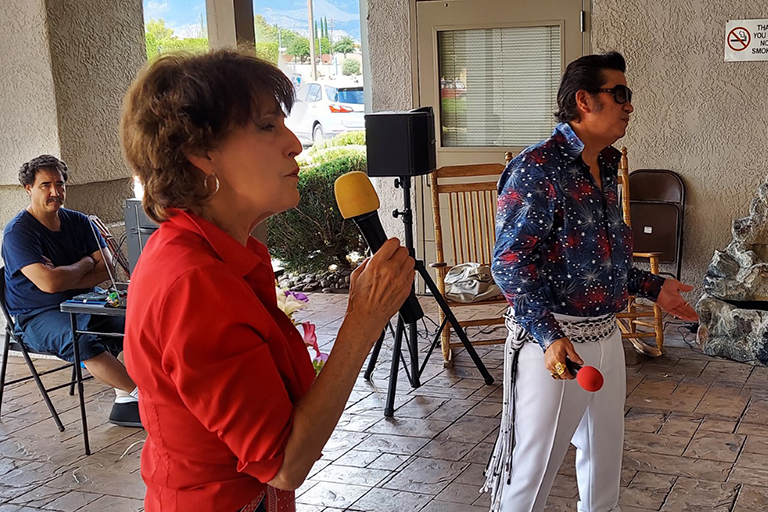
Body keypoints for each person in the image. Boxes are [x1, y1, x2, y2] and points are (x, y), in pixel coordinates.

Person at [119, 49, 415, 512]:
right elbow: (283, 462)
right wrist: (363, 322)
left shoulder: (214, 253)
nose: (295, 143)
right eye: (266, 126)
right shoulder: (194, 282)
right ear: (201, 154)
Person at [481, 52, 699, 512]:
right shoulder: (538, 168)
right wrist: (548, 336)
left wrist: (651, 287)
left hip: (605, 334)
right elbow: (510, 263)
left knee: (603, 467)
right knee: (531, 474)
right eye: (618, 95)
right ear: (583, 101)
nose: (629, 106)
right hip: (557, 346)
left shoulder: (604, 166)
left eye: (628, 95)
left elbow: (596, 259)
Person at [1, 155, 141, 428]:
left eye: (59, 183)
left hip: (85, 302)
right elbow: (49, 285)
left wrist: (66, 273)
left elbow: (107, 269)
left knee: (137, 325)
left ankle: (125, 399)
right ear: (28, 188)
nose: (55, 192)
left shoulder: (78, 221)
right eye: (45, 185)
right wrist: (86, 263)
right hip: (38, 315)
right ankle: (144, 398)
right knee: (84, 341)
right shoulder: (18, 232)